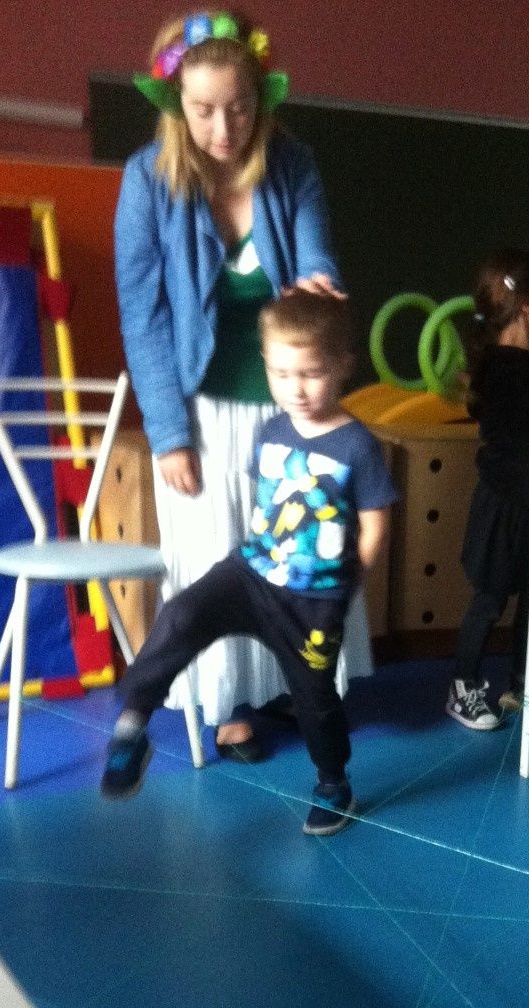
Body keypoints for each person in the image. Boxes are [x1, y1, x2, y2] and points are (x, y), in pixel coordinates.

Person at [115, 9, 373, 764]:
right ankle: (230, 707)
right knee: (217, 555)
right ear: (177, 105)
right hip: (200, 406)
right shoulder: (148, 178)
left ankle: (292, 684)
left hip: (291, 400)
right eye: (203, 110)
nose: (223, 128)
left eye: (239, 108)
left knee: (299, 544)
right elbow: (143, 315)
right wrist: (168, 432)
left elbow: (317, 254)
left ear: (261, 99)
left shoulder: (293, 164)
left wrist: (318, 281)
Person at [101, 291, 396, 834]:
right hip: (252, 572)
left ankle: (334, 784)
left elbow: (375, 524)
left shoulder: (358, 445)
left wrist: (345, 587)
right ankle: (133, 723)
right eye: (281, 374)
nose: (296, 389)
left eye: (311, 374)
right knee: (182, 615)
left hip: (314, 598)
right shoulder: (271, 430)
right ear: (266, 366)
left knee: (315, 698)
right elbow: (270, 505)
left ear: (342, 366)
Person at [446, 249, 529, 731]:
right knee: (491, 599)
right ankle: (462, 688)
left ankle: (523, 683)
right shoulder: (499, 367)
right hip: (503, 505)